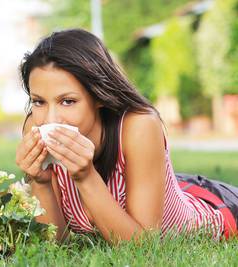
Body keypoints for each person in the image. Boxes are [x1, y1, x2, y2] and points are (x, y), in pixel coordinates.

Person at [15, 28, 238, 244]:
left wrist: (85, 176)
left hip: (218, 211)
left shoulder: (138, 126)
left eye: (68, 101)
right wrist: (41, 182)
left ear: (99, 95)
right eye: (39, 101)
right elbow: (55, 242)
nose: (51, 119)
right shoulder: (35, 125)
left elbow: (142, 245)